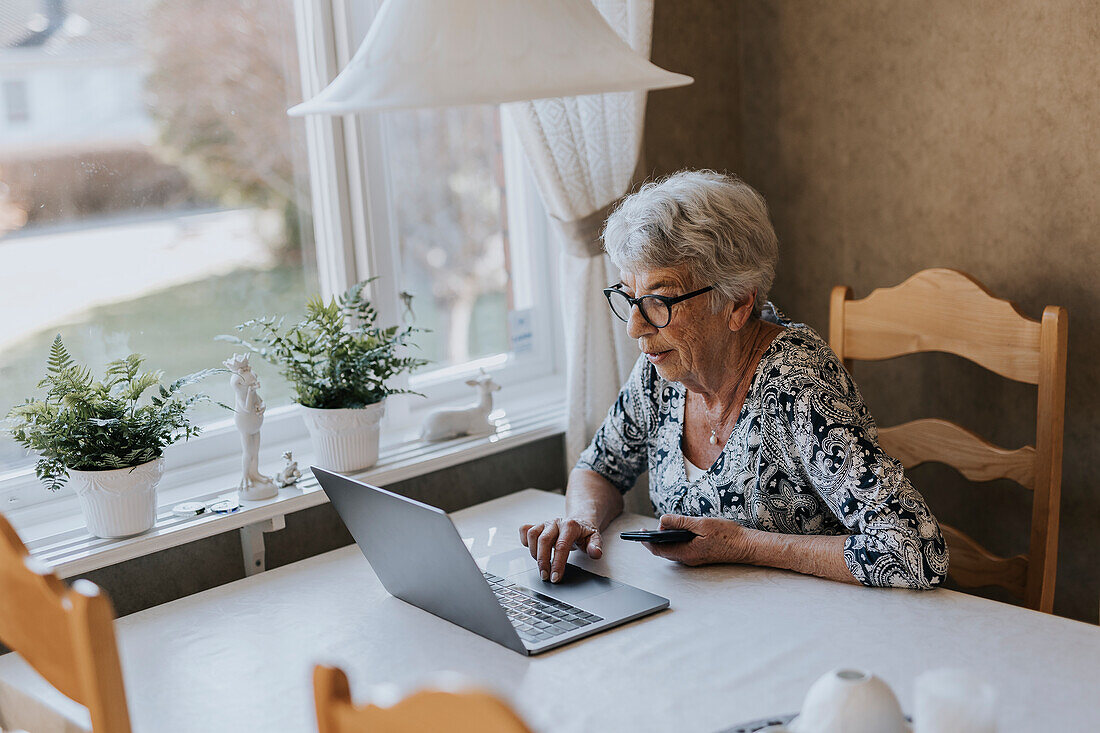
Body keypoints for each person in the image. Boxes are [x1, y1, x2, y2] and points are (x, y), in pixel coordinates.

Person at [521, 170, 948, 589]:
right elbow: (599, 468)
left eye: (659, 300)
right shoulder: (663, 369)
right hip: (706, 621)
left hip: (816, 629)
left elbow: (914, 551)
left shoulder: (797, 384)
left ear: (738, 304)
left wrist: (743, 545)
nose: (636, 327)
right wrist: (581, 520)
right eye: (630, 297)